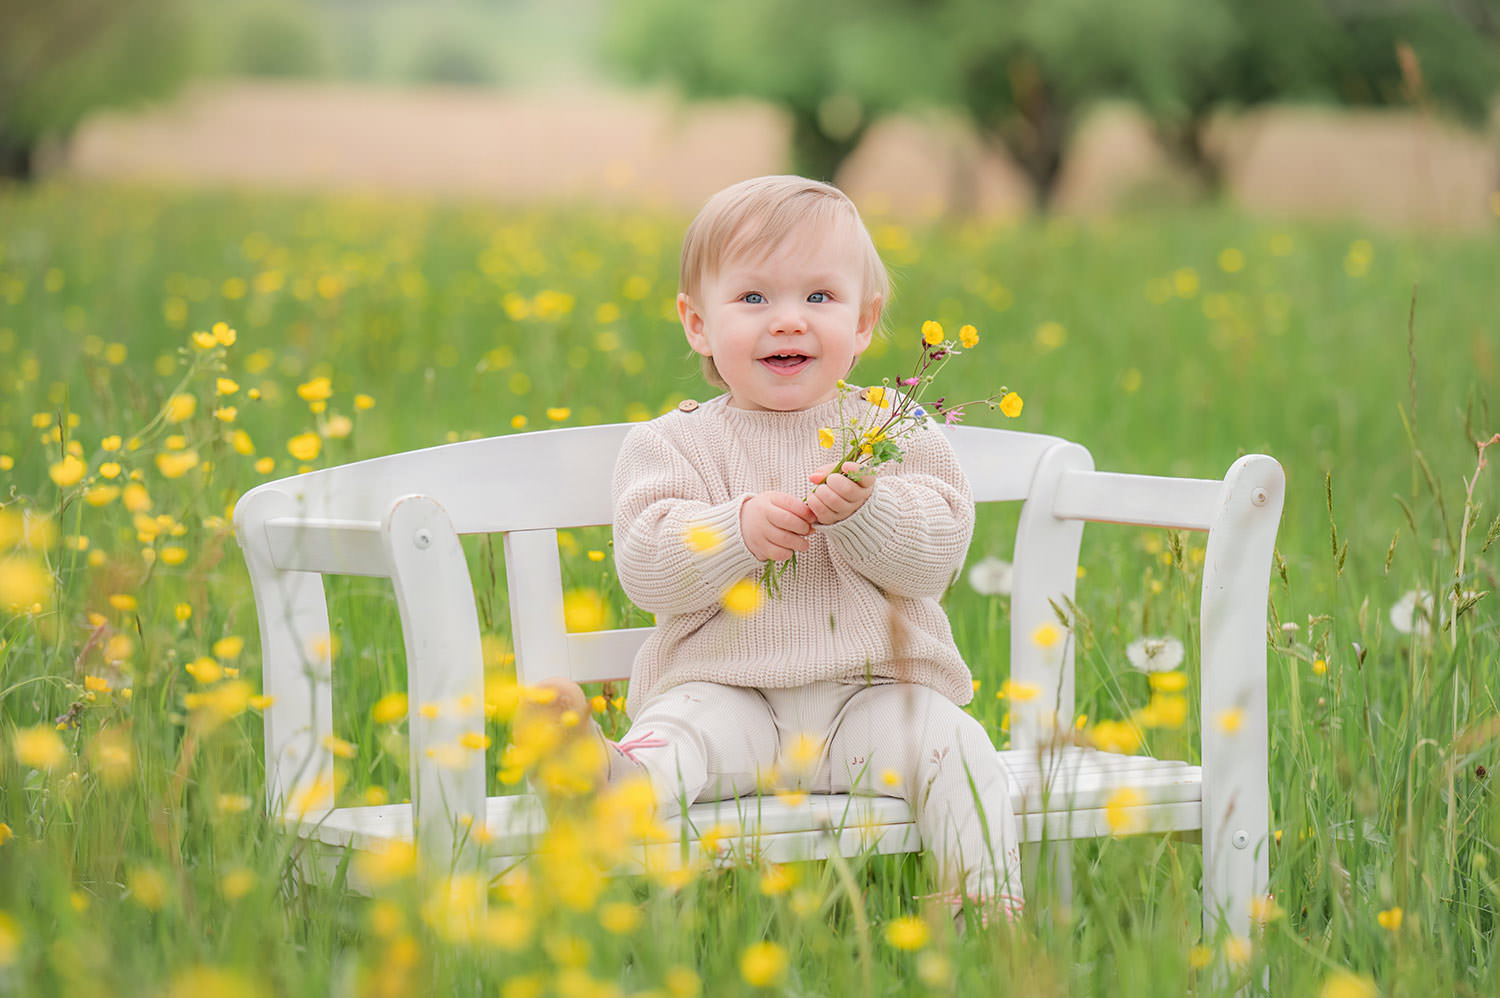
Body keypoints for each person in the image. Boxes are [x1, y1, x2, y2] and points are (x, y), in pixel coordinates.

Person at [525, 175, 1023, 924]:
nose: (787, 322)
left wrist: (868, 511)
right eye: (753, 299)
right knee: (679, 740)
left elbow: (939, 555)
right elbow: (647, 568)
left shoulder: (897, 430)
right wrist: (737, 532)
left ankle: (980, 913)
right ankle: (606, 785)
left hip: (875, 697)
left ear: (864, 322)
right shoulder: (673, 444)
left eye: (819, 298)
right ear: (697, 324)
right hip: (729, 695)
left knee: (959, 750)